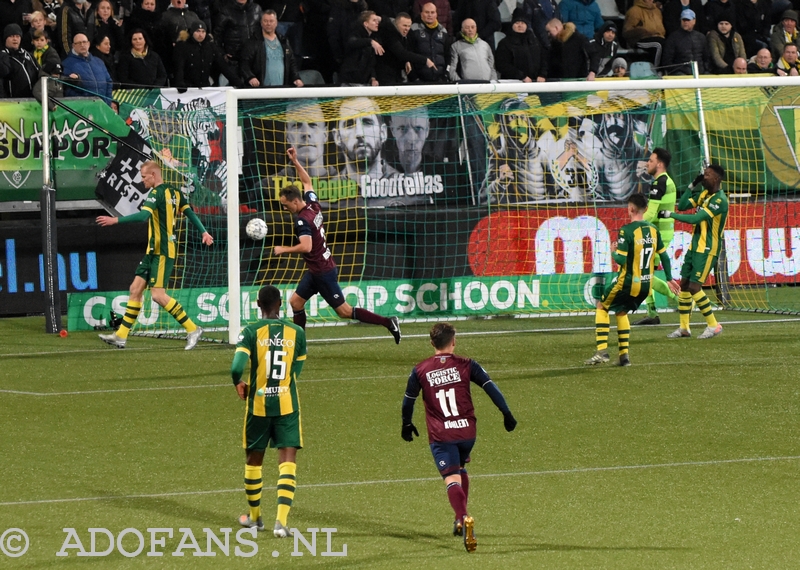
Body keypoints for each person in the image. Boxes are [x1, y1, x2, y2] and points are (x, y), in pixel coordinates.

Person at [400, 322, 517, 552]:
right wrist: (506, 413)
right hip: (467, 432)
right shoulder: (467, 364)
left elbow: (408, 401)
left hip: (442, 435)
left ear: (432, 343)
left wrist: (406, 423)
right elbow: (490, 387)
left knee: (451, 478)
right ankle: (458, 518)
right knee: (461, 468)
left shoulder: (420, 370)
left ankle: (464, 519)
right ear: (453, 341)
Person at [275, 147, 402, 341]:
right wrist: (295, 161)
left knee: (344, 311)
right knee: (295, 302)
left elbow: (306, 247)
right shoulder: (313, 204)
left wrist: (284, 249)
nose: (285, 208)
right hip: (317, 270)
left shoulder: (301, 220)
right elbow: (307, 181)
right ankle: (299, 343)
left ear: (294, 202)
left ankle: (388, 322)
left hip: (323, 272)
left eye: (285, 205)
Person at [96, 160, 213, 349]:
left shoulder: (157, 193)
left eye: (143, 177)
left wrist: (115, 220)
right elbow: (189, 212)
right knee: (135, 289)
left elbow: (143, 216)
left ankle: (193, 329)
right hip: (152, 251)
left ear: (154, 175)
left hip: (163, 251)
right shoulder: (175, 192)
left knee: (158, 295)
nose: (142, 181)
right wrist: (204, 231)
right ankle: (121, 335)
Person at [232, 284, 306, 538]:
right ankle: (282, 522)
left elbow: (235, 368)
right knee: (287, 462)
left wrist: (239, 384)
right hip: (287, 406)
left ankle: (254, 519)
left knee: (254, 462)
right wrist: (283, 385)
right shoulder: (297, 332)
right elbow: (297, 367)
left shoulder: (250, 332)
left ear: (257, 305)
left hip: (258, 407)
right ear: (281, 304)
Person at [586, 193, 680, 366]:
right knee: (621, 311)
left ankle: (602, 352)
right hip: (645, 284)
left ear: (630, 208)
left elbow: (621, 260)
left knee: (601, 306)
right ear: (645, 209)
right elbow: (665, 257)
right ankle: (624, 357)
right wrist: (668, 278)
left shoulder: (626, 231)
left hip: (628, 282)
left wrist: (613, 251)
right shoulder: (653, 230)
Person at [657, 164, 728, 340]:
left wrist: (670, 215)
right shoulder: (704, 194)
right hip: (694, 247)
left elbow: (695, 218)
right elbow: (681, 206)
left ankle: (714, 325)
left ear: (717, 179)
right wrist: (692, 185)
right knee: (684, 286)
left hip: (707, 249)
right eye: (703, 174)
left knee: (695, 287)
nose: (704, 177)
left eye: (708, 175)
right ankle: (684, 328)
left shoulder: (719, 200)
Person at [634, 148, 679, 325]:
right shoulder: (663, 181)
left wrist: (634, 223)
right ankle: (652, 313)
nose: (647, 163)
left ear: (659, 164)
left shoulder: (660, 182)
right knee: (646, 272)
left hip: (659, 235)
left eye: (651, 161)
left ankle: (682, 300)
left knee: (645, 274)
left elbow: (651, 214)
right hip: (657, 233)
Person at [331, 96, 399, 188]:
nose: (359, 133)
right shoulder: (327, 195)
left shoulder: (404, 187)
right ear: (337, 137)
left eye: (367, 122)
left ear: (383, 133)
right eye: (349, 124)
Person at [239, 10, 301, 87]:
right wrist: (250, 77)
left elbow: (291, 62)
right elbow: (244, 64)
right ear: (261, 23)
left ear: (276, 23)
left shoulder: (283, 41)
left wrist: (296, 78)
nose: (268, 24)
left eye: (271, 21)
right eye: (265, 21)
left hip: (281, 89)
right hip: (261, 90)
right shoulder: (253, 42)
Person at [172, 21, 241, 87]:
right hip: (188, 87)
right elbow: (179, 67)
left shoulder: (210, 47)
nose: (200, 34)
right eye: (198, 31)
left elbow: (223, 66)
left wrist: (238, 82)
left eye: (203, 31)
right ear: (192, 32)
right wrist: (180, 83)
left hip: (205, 87)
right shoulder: (183, 46)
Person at [374, 11, 435, 85]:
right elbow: (401, 53)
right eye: (404, 25)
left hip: (396, 75)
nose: (407, 29)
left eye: (409, 26)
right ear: (396, 24)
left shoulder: (406, 36)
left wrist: (406, 61)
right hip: (384, 76)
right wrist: (425, 60)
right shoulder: (389, 34)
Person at [495, 9, 546, 82]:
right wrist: (522, 76)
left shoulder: (535, 41)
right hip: (514, 84)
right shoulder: (504, 43)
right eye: (517, 22)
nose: (520, 25)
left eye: (522, 23)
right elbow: (502, 65)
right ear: (512, 25)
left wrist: (542, 74)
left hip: (535, 82)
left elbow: (543, 59)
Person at [61, 32, 113, 103]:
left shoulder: (98, 61)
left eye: (84, 42)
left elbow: (109, 82)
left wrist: (108, 101)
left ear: (88, 44)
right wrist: (83, 101)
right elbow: (66, 89)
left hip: (103, 105)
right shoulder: (66, 64)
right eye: (78, 43)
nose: (82, 45)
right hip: (83, 107)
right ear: (73, 45)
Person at [337, 9, 382, 85]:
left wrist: (373, 78)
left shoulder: (373, 39)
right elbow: (352, 42)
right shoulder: (354, 33)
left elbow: (371, 63)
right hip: (350, 81)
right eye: (374, 20)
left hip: (363, 82)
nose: (377, 23)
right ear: (366, 24)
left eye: (377, 20)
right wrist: (370, 41)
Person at [408, 2, 450, 83]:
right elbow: (409, 54)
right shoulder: (413, 30)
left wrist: (445, 75)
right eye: (427, 12)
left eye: (432, 12)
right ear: (421, 14)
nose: (430, 15)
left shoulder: (443, 31)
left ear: (436, 14)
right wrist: (414, 78)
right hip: (419, 80)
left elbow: (448, 55)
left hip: (440, 80)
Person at [213, 0, 262, 68]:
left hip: (254, 58)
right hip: (233, 59)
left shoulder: (257, 8)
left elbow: (262, 30)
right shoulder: (225, 10)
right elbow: (217, 35)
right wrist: (222, 54)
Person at [661, 8, 708, 75]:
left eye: (688, 20)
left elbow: (707, 58)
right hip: (680, 74)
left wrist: (706, 70)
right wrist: (680, 70)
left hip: (701, 73)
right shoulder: (673, 37)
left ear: (694, 21)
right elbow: (667, 61)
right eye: (683, 20)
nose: (685, 22)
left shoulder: (701, 37)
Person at [448, 18, 496, 82]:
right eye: (467, 27)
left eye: (472, 27)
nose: (470, 30)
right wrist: (461, 83)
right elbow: (452, 69)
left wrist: (493, 81)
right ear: (462, 30)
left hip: (487, 85)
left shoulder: (485, 45)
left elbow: (492, 67)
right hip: (468, 86)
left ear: (476, 29)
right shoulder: (456, 46)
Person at [1, 23, 41, 97]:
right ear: (6, 38)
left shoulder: (28, 55)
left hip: (33, 100)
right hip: (12, 102)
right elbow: (4, 72)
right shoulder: (3, 56)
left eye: (17, 36)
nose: (15, 39)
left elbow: (39, 72)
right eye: (11, 36)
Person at [622, 0, 665, 67]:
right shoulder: (634, 11)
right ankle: (656, 69)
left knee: (669, 44)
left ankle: (667, 70)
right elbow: (626, 31)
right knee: (658, 45)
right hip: (640, 39)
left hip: (658, 38)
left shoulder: (657, 11)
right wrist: (641, 31)